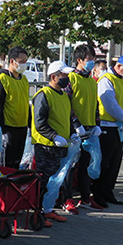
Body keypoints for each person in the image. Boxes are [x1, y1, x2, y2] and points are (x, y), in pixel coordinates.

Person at [32, 61, 76, 224]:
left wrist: (73, 133)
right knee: (43, 180)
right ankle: (37, 214)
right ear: (53, 76)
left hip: (61, 146)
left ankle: (48, 210)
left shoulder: (63, 95)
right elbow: (39, 122)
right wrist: (54, 136)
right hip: (46, 146)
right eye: (63, 75)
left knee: (55, 181)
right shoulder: (43, 95)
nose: (67, 78)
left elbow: (66, 118)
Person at [94, 54, 123, 205]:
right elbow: (109, 103)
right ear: (118, 66)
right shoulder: (106, 80)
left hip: (121, 128)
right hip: (108, 126)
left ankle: (108, 191)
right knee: (104, 162)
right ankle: (98, 193)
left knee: (115, 162)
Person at [67, 44, 103, 213]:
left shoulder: (91, 81)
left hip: (89, 130)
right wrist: (75, 124)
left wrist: (96, 124)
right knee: (69, 166)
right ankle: (67, 200)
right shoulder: (70, 79)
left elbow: (95, 105)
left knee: (86, 166)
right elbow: (66, 105)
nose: (92, 62)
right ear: (79, 60)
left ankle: (85, 198)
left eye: (93, 59)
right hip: (73, 131)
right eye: (89, 59)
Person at [0, 47, 30, 169]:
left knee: (18, 161)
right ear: (12, 61)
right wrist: (2, 131)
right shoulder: (2, 79)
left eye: (26, 61)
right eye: (21, 61)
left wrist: (30, 125)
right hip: (9, 128)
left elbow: (25, 103)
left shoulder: (23, 79)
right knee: (8, 163)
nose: (24, 64)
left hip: (22, 127)